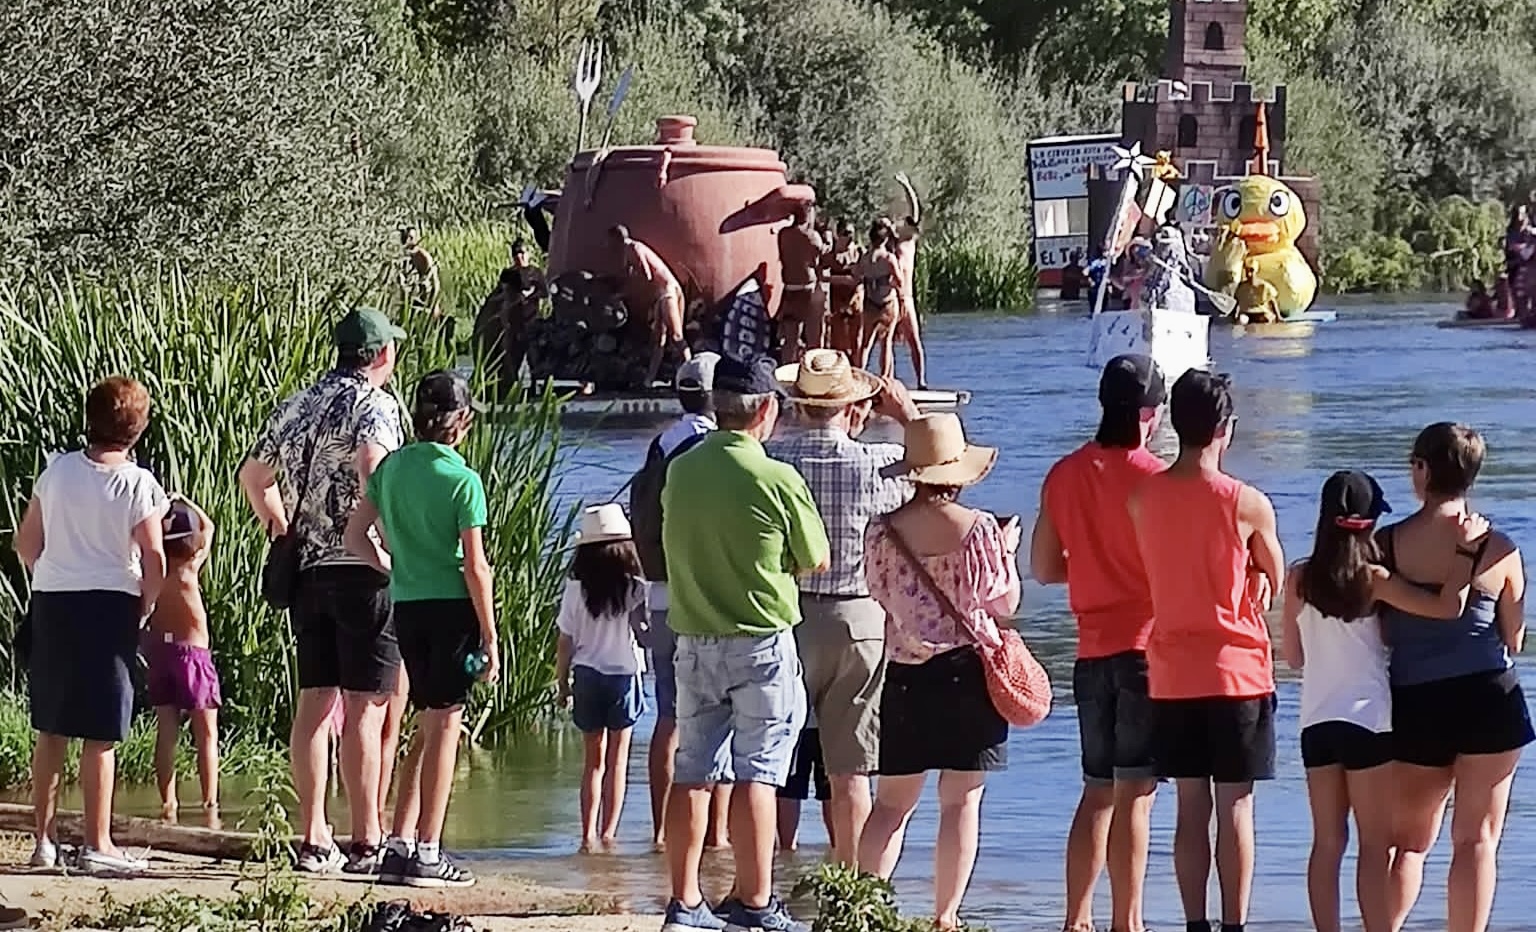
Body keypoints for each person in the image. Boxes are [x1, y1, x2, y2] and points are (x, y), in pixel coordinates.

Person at [659, 355, 827, 932]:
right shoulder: (778, 478)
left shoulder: (681, 468)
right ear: (764, 409)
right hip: (760, 641)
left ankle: (684, 902)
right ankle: (755, 902)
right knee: (760, 772)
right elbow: (815, 558)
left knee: (693, 769)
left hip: (693, 637)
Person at [1280, 469, 1490, 932]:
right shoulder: (1373, 579)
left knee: (1326, 844)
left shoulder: (1299, 578)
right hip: (1367, 723)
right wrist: (1465, 553)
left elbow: (1293, 658)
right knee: (1374, 846)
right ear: (1368, 524)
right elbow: (1445, 608)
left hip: (1316, 725)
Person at [239, 306, 407, 874]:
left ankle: (313, 837)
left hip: (308, 569)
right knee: (367, 707)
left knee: (314, 702)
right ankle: (367, 840)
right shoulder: (377, 406)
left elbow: (252, 476)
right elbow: (371, 462)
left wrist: (282, 528)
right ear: (381, 354)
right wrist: (382, 535)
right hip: (363, 569)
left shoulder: (301, 402)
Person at [1128, 370, 1284, 932]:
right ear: (1226, 429)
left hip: (1172, 671)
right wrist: (1258, 582)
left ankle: (1194, 923)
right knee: (1236, 805)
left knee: (1190, 807)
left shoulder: (1143, 497)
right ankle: (1234, 925)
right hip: (1237, 671)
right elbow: (1276, 578)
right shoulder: (1247, 503)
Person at [857, 413, 1019, 932]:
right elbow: (1004, 605)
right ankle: (946, 917)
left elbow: (879, 594)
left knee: (890, 807)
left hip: (905, 674)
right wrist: (1008, 556)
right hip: (967, 673)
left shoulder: (881, 533)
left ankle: (865, 909)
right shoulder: (981, 532)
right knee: (960, 803)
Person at [344, 370, 498, 888]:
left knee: (428, 720)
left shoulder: (391, 469)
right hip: (452, 608)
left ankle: (401, 841)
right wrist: (491, 635)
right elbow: (476, 567)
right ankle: (428, 849)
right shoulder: (463, 480)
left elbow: (354, 535)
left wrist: (394, 568)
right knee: (446, 725)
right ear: (463, 423)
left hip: (406, 606)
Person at [767, 349, 920, 865]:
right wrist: (907, 416)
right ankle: (852, 881)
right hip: (859, 616)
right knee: (851, 769)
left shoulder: (775, 460)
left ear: (797, 403)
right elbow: (940, 470)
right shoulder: (877, 463)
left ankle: (763, 879)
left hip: (788, 615)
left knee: (772, 758)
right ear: (849, 404)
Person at [1030, 354, 1167, 932]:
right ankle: (1127, 922)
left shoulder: (1063, 474)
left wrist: (1088, 570)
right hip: (1145, 650)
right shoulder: (1158, 478)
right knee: (1136, 793)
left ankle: (1075, 918)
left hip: (1089, 654)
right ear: (1147, 414)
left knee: (1096, 791)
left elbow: (1041, 567)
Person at [1377, 423, 1530, 932]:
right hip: (1489, 698)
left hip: (1417, 703)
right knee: (1476, 841)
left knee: (1409, 845)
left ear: (1422, 470)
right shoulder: (1499, 548)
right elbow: (1514, 640)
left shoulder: (1385, 545)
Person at [16, 377, 168, 874]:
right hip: (110, 604)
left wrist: (50, 576)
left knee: (51, 726)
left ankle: (44, 842)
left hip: (55, 600)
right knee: (101, 732)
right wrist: (145, 605)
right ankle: (98, 843)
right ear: (138, 429)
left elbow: (25, 544)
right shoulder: (138, 483)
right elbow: (153, 557)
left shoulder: (55, 472)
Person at [628, 353, 732, 852]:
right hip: (707, 598)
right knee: (723, 716)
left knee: (668, 717)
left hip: (659, 595)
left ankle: (661, 831)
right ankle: (716, 839)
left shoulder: (660, 444)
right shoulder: (714, 446)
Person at [555, 504, 648, 851]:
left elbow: (565, 641)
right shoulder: (636, 588)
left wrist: (562, 684)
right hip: (624, 675)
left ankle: (587, 834)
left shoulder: (575, 590)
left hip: (587, 675)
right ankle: (609, 833)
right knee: (617, 762)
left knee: (592, 763)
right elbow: (645, 632)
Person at [148, 497, 222, 822]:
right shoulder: (190, 566)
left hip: (160, 653)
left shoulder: (155, 569)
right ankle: (210, 803)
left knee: (167, 731)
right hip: (193, 655)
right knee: (206, 732)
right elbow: (210, 527)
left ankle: (169, 802)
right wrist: (186, 501)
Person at [610, 225, 691, 387]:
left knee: (676, 336)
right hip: (660, 294)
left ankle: (692, 373)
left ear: (615, 239)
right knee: (659, 339)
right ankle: (649, 380)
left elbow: (646, 274)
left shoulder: (634, 247)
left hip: (668, 290)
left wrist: (628, 290)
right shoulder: (627, 252)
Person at [777, 206, 829, 365]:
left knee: (790, 339)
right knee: (814, 337)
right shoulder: (811, 236)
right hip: (807, 289)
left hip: (789, 288)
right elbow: (821, 254)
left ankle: (784, 374)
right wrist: (828, 241)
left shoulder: (783, 234)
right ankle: (813, 374)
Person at [776, 718, 834, 852]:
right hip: (829, 721)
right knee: (832, 788)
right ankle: (841, 852)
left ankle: (786, 851)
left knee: (790, 787)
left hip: (796, 722)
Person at [855, 219, 902, 379]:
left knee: (866, 344)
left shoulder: (865, 258)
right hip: (887, 303)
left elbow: (857, 275)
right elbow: (900, 281)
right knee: (886, 343)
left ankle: (859, 376)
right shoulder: (888, 258)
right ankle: (885, 379)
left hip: (870, 303)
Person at [891, 214, 929, 389]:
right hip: (893, 298)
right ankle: (889, 378)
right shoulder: (893, 245)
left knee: (914, 340)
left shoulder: (908, 244)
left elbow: (914, 218)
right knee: (888, 341)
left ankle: (921, 381)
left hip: (906, 298)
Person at [823, 221, 864, 360]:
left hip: (855, 301)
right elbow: (821, 276)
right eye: (846, 234)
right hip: (837, 303)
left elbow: (858, 279)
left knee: (857, 340)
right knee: (837, 343)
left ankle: (857, 371)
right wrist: (844, 279)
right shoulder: (831, 255)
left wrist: (833, 279)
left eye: (851, 233)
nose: (850, 237)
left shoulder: (858, 252)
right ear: (838, 235)